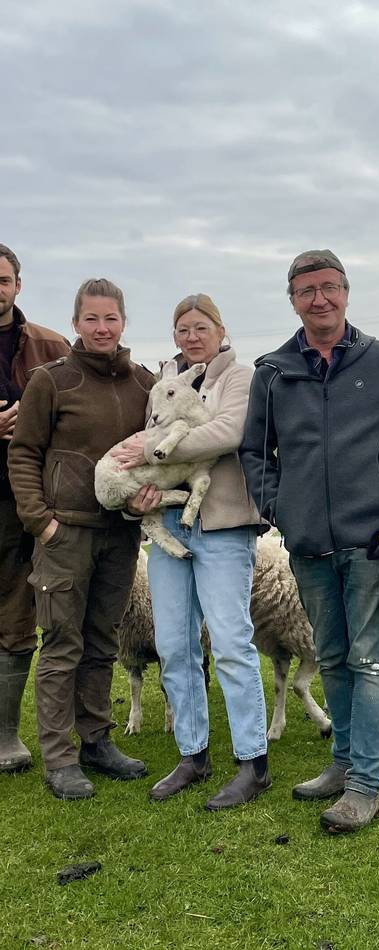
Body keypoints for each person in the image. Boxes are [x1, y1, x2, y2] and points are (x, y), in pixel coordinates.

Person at [240, 249, 379, 834]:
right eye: (307, 291)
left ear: (346, 292)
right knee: (330, 655)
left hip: (373, 541)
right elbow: (256, 453)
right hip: (306, 546)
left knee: (370, 658)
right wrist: (276, 504)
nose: (320, 300)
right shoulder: (274, 372)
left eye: (329, 288)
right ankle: (341, 763)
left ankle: (364, 784)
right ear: (293, 300)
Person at [114, 293, 270, 809]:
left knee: (229, 642)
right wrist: (142, 486)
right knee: (175, 646)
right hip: (172, 529)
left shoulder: (240, 378)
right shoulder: (166, 383)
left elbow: (228, 431)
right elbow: (148, 440)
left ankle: (253, 761)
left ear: (220, 330)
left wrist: (154, 448)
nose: (192, 335)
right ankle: (192, 754)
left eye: (201, 326)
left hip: (223, 525)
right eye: (183, 328)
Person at [8, 278, 154, 799]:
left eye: (110, 318)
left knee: (102, 642)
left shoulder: (143, 383)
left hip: (120, 535)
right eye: (91, 318)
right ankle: (60, 756)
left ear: (123, 322)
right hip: (65, 531)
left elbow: (155, 451)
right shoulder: (52, 381)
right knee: (62, 645)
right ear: (76, 323)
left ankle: (96, 740)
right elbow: (24, 452)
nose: (101, 327)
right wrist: (40, 520)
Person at [0, 244, 70, 773]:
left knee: (17, 613)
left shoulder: (49, 345)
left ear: (18, 284)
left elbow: (75, 408)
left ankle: (7, 736)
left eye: (3, 280)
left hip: (25, 502)